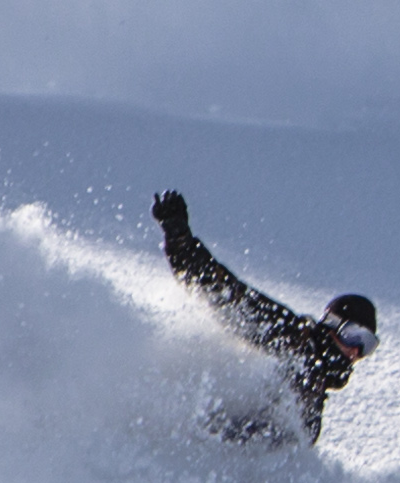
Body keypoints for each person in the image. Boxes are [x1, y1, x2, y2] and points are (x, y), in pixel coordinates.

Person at [152, 189, 378, 445]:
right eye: (354, 335)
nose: (356, 351)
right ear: (332, 325)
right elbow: (224, 292)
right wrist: (180, 238)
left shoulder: (314, 400)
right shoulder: (289, 336)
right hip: (195, 441)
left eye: (367, 345)